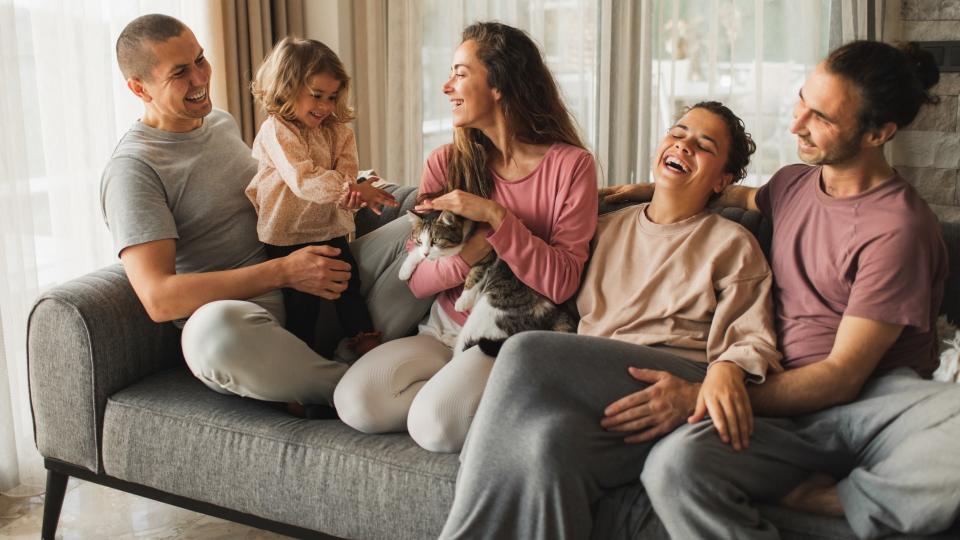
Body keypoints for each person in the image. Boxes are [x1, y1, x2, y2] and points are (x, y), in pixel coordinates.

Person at [607, 41, 957, 539]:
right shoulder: (794, 185)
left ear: (879, 132)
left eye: (822, 118)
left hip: (872, 404)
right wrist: (643, 190)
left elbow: (842, 378)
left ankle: (842, 500)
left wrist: (697, 394)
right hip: (782, 396)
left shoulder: (898, 228)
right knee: (673, 466)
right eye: (801, 101)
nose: (796, 124)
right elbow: (733, 192)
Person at [439, 101, 782, 538]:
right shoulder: (605, 228)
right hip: (595, 385)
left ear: (722, 180)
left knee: (524, 351)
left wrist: (721, 375)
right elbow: (550, 255)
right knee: (547, 446)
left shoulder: (732, 243)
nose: (683, 144)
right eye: (678, 133)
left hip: (669, 373)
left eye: (704, 145)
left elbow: (749, 340)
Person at [100, 14, 402, 413]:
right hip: (248, 320)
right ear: (140, 88)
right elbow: (159, 299)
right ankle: (359, 385)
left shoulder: (220, 123)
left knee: (417, 229)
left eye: (200, 59)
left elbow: (281, 190)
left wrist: (353, 187)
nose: (199, 78)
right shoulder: (134, 169)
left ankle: (350, 366)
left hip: (311, 280)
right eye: (180, 72)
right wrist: (284, 272)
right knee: (212, 332)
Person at [332, 22, 599, 453]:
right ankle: (483, 401)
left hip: (509, 335)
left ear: (498, 84)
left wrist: (496, 215)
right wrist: (469, 255)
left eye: (459, 72)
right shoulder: (445, 163)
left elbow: (563, 280)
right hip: (441, 328)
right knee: (354, 403)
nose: (446, 85)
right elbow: (417, 280)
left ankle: (473, 398)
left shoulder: (571, 166)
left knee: (436, 427)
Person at [247, 37, 397, 360]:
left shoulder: (339, 130)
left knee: (348, 285)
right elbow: (303, 179)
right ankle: (300, 369)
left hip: (329, 226)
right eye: (316, 96)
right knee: (302, 306)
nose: (326, 106)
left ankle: (365, 348)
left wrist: (355, 192)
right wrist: (348, 189)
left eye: (332, 97)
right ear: (286, 88)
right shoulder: (277, 130)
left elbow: (347, 173)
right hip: (286, 232)